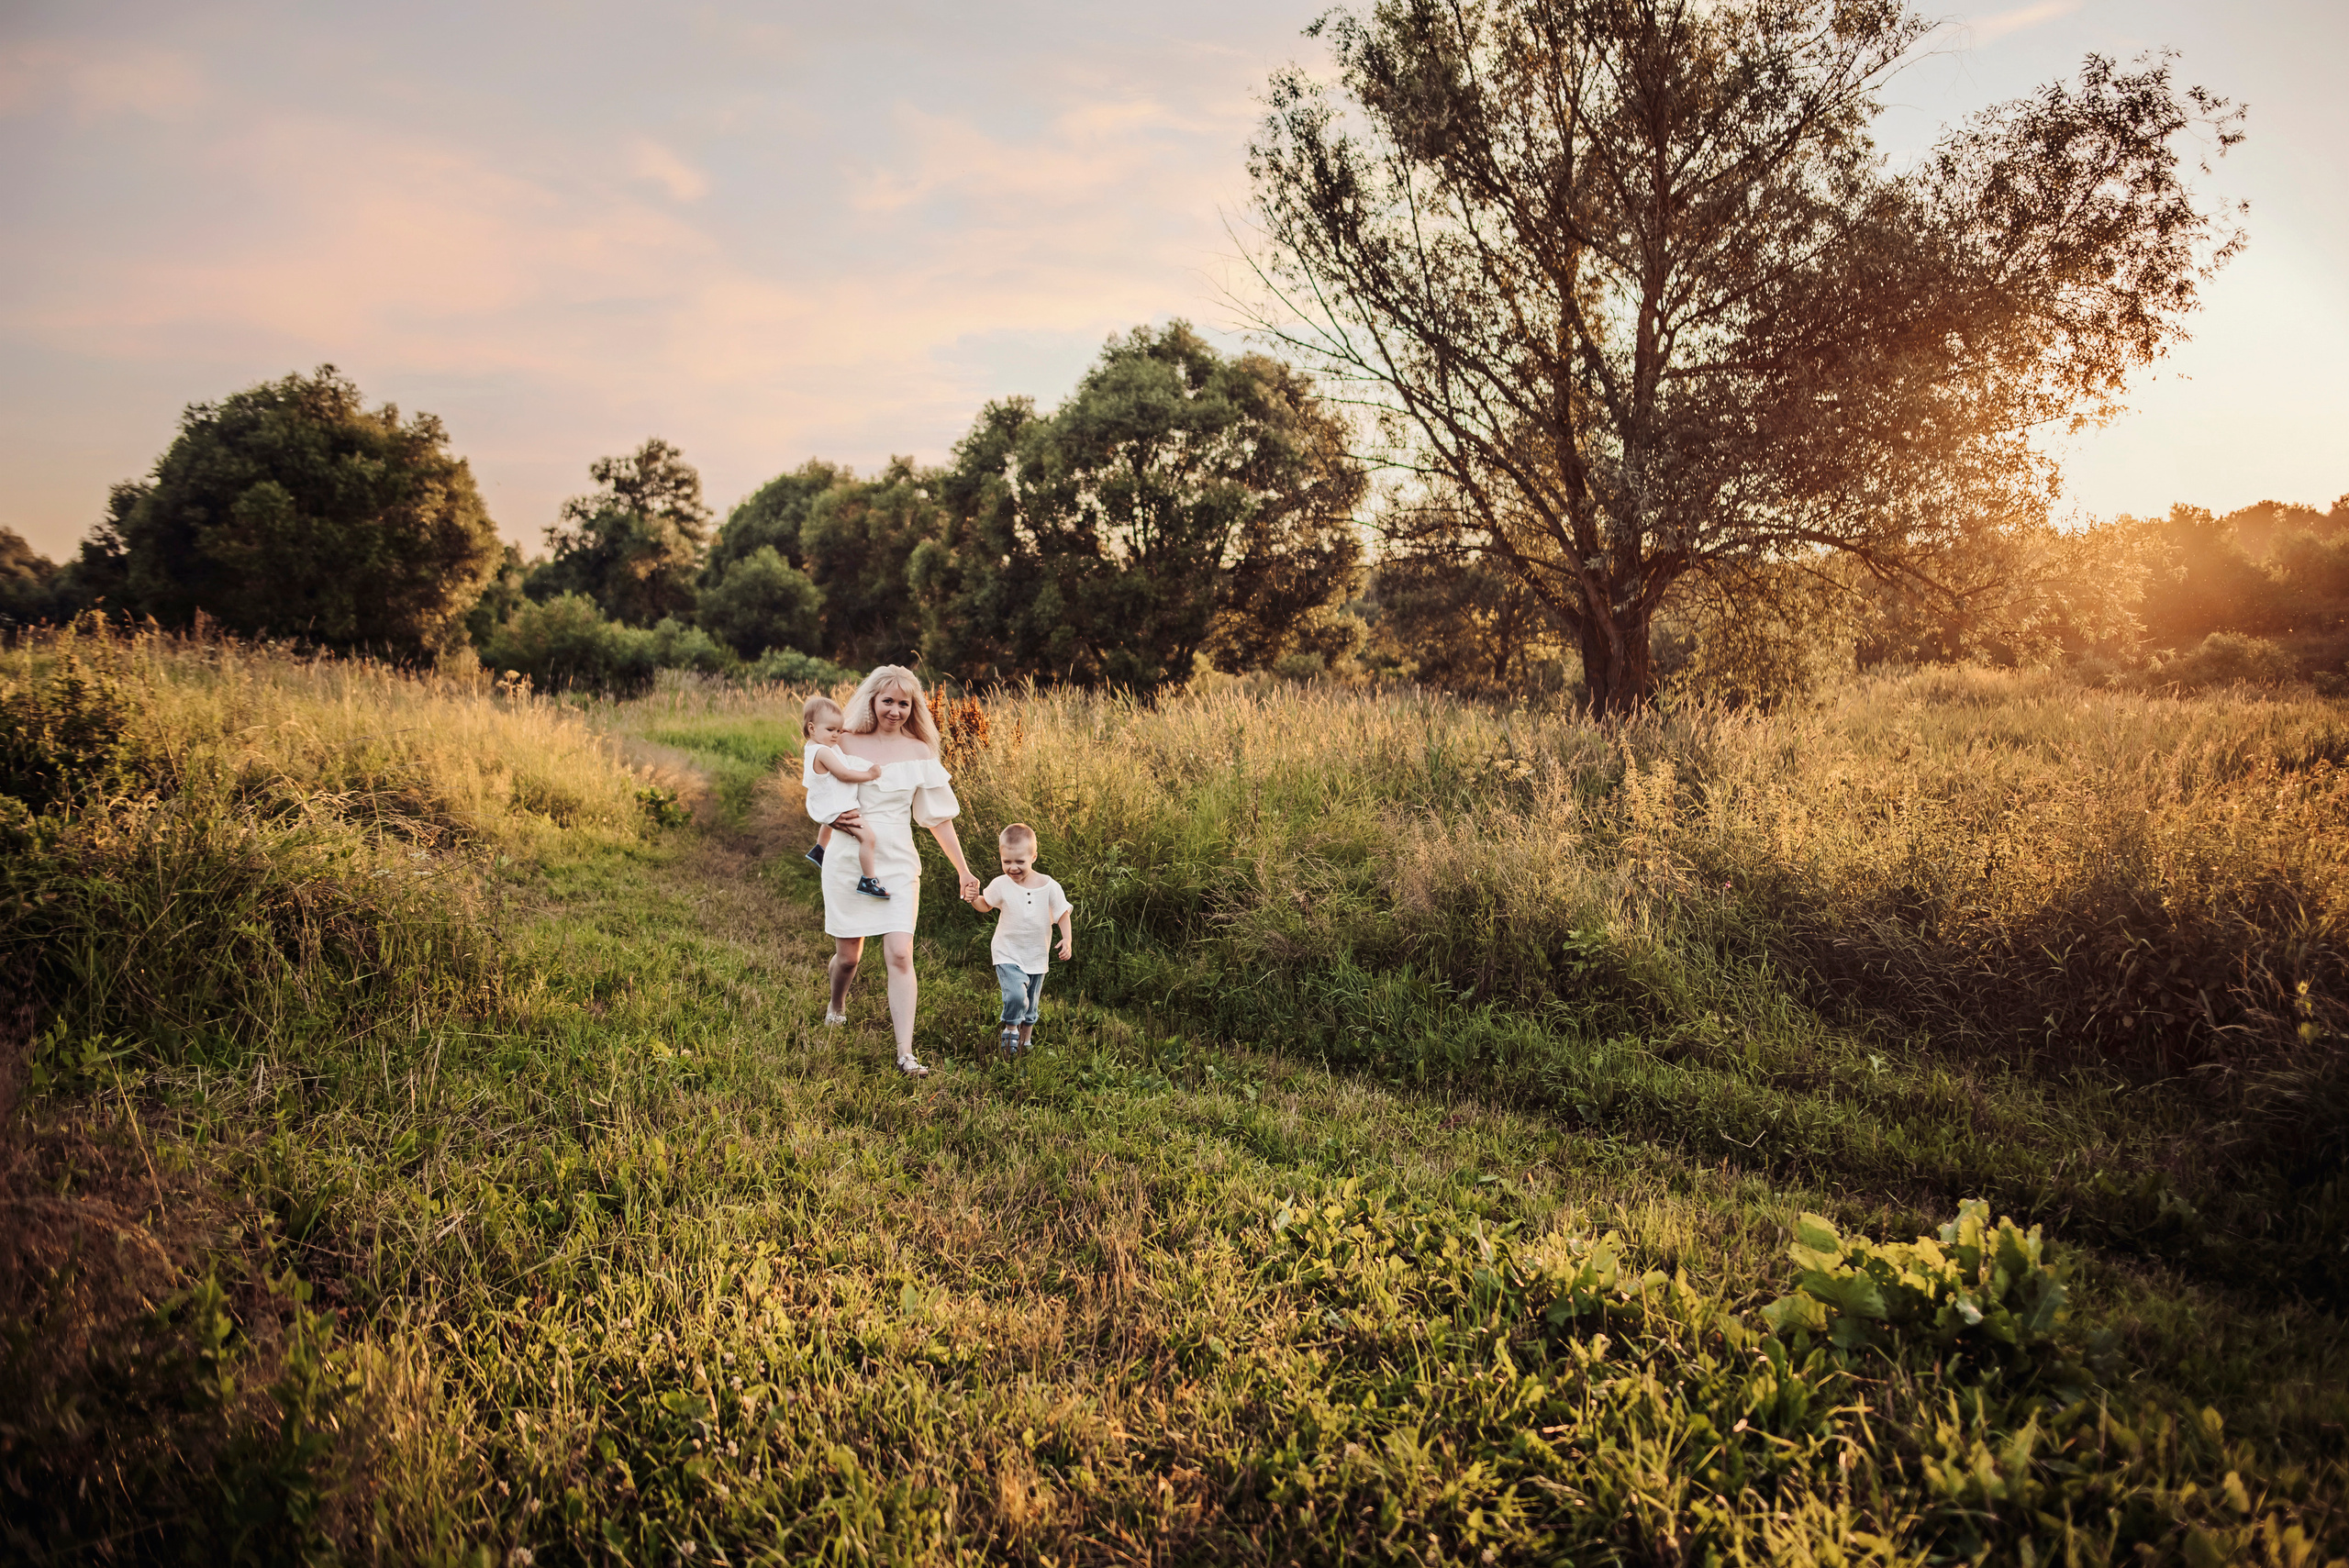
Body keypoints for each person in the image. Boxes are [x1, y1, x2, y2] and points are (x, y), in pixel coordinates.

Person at [820, 665, 983, 1076]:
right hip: (849, 857)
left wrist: (963, 870)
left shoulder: (919, 752)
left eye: (904, 703)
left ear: (914, 708)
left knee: (900, 952)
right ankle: (837, 1004)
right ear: (873, 701)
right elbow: (820, 791)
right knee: (848, 958)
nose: (895, 710)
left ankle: (905, 1053)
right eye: (888, 701)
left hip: (897, 859)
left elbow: (938, 819)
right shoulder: (846, 743)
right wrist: (829, 820)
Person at [967, 822, 1074, 1055]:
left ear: (1033, 857)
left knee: (1031, 1005)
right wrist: (974, 898)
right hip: (1007, 952)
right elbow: (986, 905)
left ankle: (1024, 1043)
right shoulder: (1001, 884)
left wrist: (1067, 940)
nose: (1013, 868)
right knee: (1016, 994)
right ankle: (1010, 1031)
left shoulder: (1049, 886)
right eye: (1007, 862)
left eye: (1020, 862)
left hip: (1037, 954)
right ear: (1001, 857)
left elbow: (1063, 913)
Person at [798, 695, 889, 899]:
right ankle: (868, 880)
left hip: (826, 805)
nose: (836, 735)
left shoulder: (813, 747)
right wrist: (870, 775)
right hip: (838, 808)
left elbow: (832, 740)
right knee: (868, 838)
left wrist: (839, 730)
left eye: (839, 730)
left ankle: (819, 850)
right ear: (812, 728)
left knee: (828, 824)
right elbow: (844, 775)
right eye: (831, 730)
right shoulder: (823, 752)